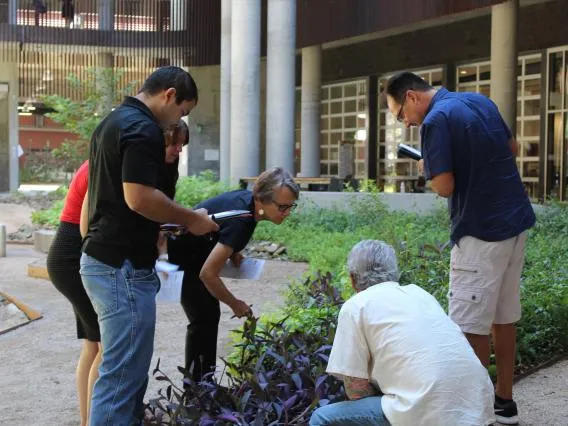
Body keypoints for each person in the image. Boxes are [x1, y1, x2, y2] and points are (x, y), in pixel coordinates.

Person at [385, 71, 536, 425]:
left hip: (480, 231)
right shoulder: (479, 101)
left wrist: (429, 167)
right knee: (504, 316)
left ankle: (475, 412)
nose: (405, 123)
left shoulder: (435, 121)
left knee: (470, 326)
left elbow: (444, 186)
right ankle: (504, 402)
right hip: (515, 222)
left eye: (399, 114)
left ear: (411, 96)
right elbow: (510, 149)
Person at [80, 66, 218, 426]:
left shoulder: (114, 121)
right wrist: (192, 219)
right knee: (123, 375)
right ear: (169, 95)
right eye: (183, 112)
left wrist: (174, 218)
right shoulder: (142, 129)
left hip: (107, 259)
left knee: (126, 371)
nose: (179, 121)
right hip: (120, 267)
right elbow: (139, 198)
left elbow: (119, 200)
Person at [47, 119, 189, 426]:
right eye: (173, 144)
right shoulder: (110, 164)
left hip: (80, 252)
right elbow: (87, 225)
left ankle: (88, 420)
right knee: (110, 348)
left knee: (95, 343)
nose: (178, 152)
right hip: (77, 253)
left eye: (182, 146)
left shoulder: (135, 165)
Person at [309, 240, 495, 426]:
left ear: (352, 278)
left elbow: (356, 391)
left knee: (321, 419)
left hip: (427, 411)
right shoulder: (420, 294)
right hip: (478, 404)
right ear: (394, 272)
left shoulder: (356, 306)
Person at [167, 167, 300, 382]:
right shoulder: (242, 220)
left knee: (207, 318)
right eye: (282, 207)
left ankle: (202, 387)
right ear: (261, 199)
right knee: (204, 319)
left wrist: (233, 249)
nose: (287, 213)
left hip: (195, 252)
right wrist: (235, 303)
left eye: (290, 206)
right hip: (184, 256)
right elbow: (208, 274)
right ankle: (197, 392)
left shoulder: (248, 203)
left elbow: (222, 225)